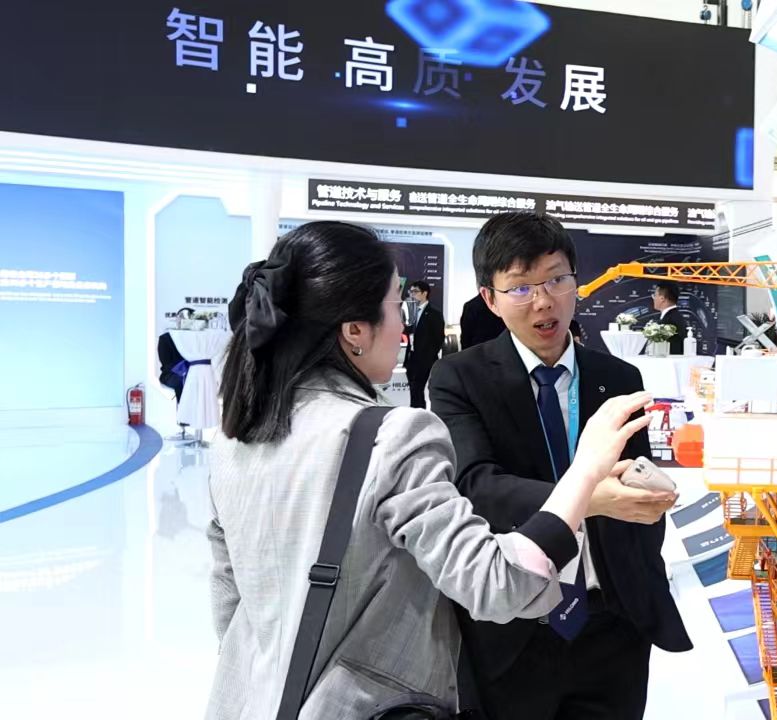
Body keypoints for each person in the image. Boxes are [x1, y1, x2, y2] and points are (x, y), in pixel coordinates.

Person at [205, 221, 652, 720]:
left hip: (253, 700)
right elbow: (494, 582)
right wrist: (585, 475)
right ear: (355, 331)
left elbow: (229, 597)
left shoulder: (233, 439)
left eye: (556, 280)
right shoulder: (392, 434)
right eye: (396, 306)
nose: (403, 325)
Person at [429, 212, 691, 720]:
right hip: (511, 629)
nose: (544, 301)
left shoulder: (618, 376)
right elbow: (476, 486)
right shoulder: (458, 378)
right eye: (521, 287)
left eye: (556, 280)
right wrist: (588, 497)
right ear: (490, 299)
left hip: (610, 625)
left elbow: (633, 478)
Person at [405, 280, 445, 409]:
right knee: (413, 390)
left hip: (425, 359)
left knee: (418, 388)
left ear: (424, 293)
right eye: (410, 292)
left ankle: (419, 413)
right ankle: (416, 411)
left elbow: (438, 338)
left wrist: (428, 355)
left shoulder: (434, 313)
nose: (412, 295)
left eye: (415, 291)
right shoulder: (411, 312)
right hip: (411, 357)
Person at [652, 280, 690, 355]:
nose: (653, 299)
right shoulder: (675, 316)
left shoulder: (670, 321)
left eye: (655, 295)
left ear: (662, 298)